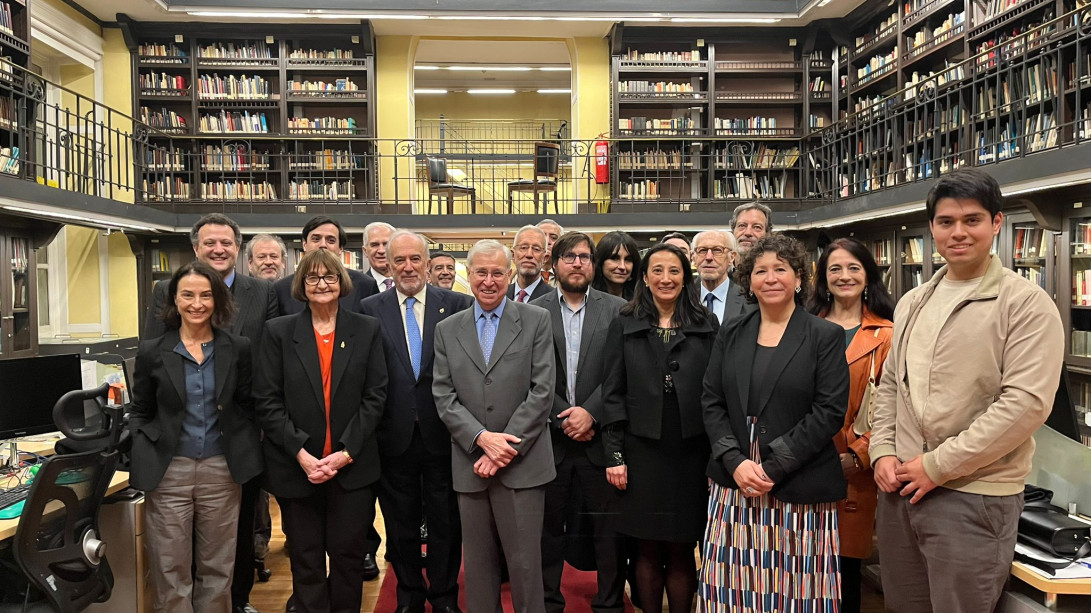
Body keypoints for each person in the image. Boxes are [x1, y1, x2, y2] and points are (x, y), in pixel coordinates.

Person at [870, 168, 1064, 613]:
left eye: (972, 220)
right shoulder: (913, 301)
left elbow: (1025, 405)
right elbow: (890, 388)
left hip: (973, 495)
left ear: (996, 223)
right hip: (900, 491)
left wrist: (937, 466)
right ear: (932, 228)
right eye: (945, 222)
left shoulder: (1026, 304)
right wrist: (882, 450)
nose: (958, 232)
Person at [698, 234, 849, 613]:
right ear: (749, 280)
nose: (771, 278)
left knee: (794, 593)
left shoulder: (824, 335)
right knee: (731, 589)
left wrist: (773, 465)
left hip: (796, 480)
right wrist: (735, 461)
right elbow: (711, 400)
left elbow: (829, 411)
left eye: (781, 269)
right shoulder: (731, 332)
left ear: (799, 278)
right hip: (736, 479)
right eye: (761, 271)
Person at [142, 213, 277, 613]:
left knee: (228, 545)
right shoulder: (165, 292)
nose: (218, 249)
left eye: (226, 243)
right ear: (196, 248)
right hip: (174, 452)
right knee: (173, 558)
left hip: (232, 446)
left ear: (238, 248)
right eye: (209, 243)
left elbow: (266, 363)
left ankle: (238, 602)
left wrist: (255, 434)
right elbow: (148, 376)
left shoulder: (262, 292)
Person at [254, 248, 387, 613]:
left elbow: (376, 397)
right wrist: (302, 454)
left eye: (329, 276)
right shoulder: (278, 332)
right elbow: (267, 400)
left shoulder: (366, 328)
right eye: (312, 277)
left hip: (353, 467)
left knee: (348, 557)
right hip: (297, 468)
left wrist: (344, 454)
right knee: (306, 558)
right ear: (301, 284)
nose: (322, 284)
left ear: (341, 282)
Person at [433, 239, 556, 613]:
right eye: (481, 272)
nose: (489, 280)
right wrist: (481, 439)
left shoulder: (535, 319)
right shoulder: (447, 328)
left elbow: (542, 391)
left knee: (524, 567)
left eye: (497, 272)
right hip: (470, 464)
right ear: (468, 276)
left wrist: (505, 448)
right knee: (479, 567)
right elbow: (443, 394)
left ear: (510, 274)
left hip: (523, 464)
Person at [601, 243, 717, 613]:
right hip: (640, 451)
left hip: (691, 451)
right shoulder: (624, 321)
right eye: (657, 271)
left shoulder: (707, 324)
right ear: (645, 278)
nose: (666, 278)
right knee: (646, 547)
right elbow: (613, 392)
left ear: (686, 277)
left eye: (674, 271)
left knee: (683, 546)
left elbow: (717, 392)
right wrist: (615, 455)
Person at [361, 232, 473, 613]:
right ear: (387, 266)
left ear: (428, 263)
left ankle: (443, 597)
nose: (407, 267)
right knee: (400, 524)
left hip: (445, 433)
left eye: (414, 260)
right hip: (392, 436)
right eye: (399, 261)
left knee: (446, 524)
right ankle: (409, 596)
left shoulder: (459, 305)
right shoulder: (367, 309)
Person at [531, 232, 627, 613]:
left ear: (593, 264)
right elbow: (527, 376)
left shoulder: (619, 309)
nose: (577, 263)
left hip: (601, 439)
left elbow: (623, 372)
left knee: (608, 533)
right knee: (548, 532)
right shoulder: (534, 311)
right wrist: (564, 415)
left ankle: (608, 604)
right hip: (549, 440)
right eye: (569, 256)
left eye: (585, 256)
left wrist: (591, 411)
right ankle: (548, 602)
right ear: (553, 265)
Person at [807, 237, 896, 613]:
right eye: (835, 269)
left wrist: (859, 455)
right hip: (803, 466)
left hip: (854, 473)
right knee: (803, 574)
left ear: (868, 276)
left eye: (853, 268)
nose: (844, 276)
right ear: (823, 279)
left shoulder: (888, 335)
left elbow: (895, 408)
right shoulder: (803, 328)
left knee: (844, 577)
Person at [274, 216, 379, 317]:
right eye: (316, 239)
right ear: (304, 244)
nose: (323, 245)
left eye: (331, 240)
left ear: (340, 248)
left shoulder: (365, 285)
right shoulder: (282, 289)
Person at [691, 229, 748, 324]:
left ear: (732, 257)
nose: (709, 257)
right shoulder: (682, 299)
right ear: (693, 257)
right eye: (702, 250)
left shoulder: (748, 300)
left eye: (717, 250)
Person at [591, 231, 641, 300]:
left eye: (628, 259)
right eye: (614, 258)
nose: (622, 266)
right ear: (600, 261)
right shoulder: (587, 299)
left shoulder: (642, 301)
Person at [508, 225, 552, 303]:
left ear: (545, 258)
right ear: (513, 255)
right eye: (523, 247)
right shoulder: (500, 295)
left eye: (536, 249)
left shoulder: (554, 299)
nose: (529, 254)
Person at [364, 221, 396, 290]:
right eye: (375, 245)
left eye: (386, 244)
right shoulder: (355, 288)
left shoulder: (409, 284)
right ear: (365, 251)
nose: (381, 250)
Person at [536, 219, 564, 284]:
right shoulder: (519, 276)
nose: (547, 241)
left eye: (553, 238)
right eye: (542, 236)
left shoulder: (568, 276)